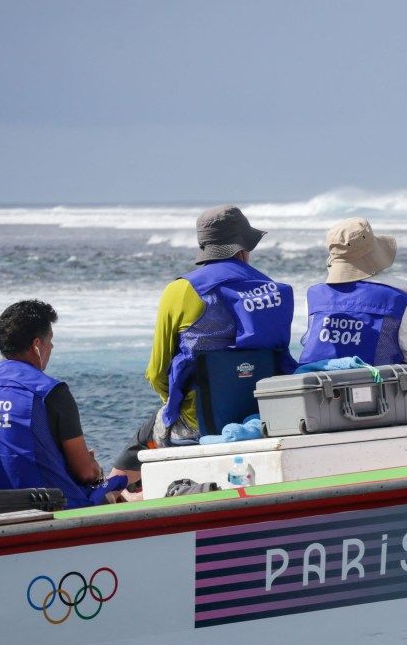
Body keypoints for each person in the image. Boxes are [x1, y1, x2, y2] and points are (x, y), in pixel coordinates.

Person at [114, 206, 294, 492]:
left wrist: (175, 403)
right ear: (243, 247)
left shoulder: (182, 290)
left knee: (146, 433)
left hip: (198, 422)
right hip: (259, 415)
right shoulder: (272, 290)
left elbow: (157, 372)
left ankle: (112, 493)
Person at [0, 300, 117, 508]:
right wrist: (94, 468)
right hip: (47, 509)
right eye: (50, 340)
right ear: (37, 345)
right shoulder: (51, 391)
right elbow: (84, 472)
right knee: (115, 488)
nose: (51, 347)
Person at [299, 217, 407, 377]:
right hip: (379, 385)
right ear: (374, 255)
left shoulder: (313, 297)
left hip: (321, 384)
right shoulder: (394, 298)